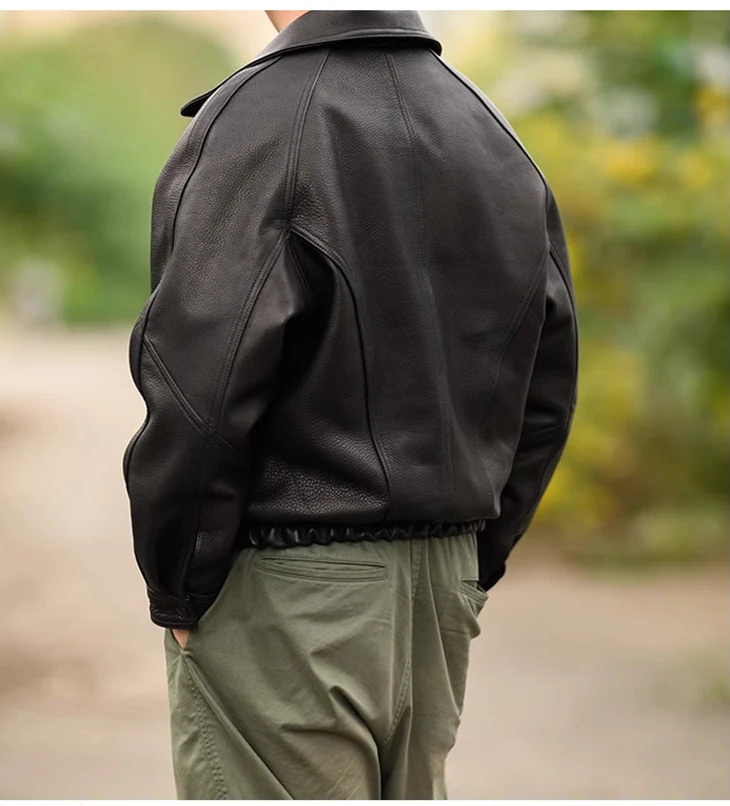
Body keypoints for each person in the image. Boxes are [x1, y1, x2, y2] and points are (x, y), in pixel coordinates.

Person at [123, 9, 578, 800]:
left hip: (290, 593)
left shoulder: (259, 119)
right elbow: (548, 383)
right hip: (440, 586)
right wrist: (472, 560)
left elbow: (201, 381)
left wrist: (179, 581)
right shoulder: (491, 129)